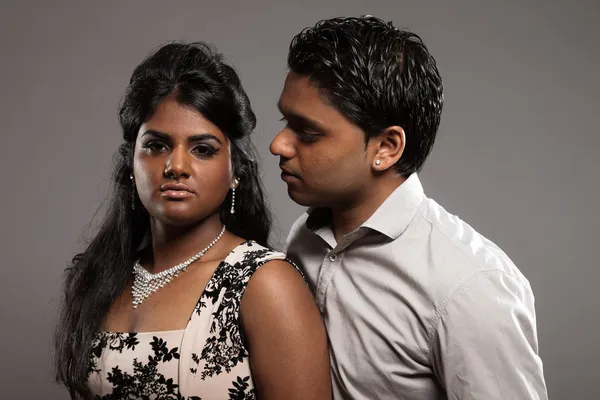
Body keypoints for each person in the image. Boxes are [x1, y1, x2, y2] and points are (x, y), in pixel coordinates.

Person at [270, 16, 548, 400]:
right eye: (285, 121)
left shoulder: (470, 287)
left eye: (306, 132)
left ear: (386, 148)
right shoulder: (306, 236)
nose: (278, 145)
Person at [54, 41, 331, 400]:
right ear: (130, 162)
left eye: (203, 149)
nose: (177, 167)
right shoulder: (103, 277)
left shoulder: (263, 283)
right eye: (156, 145)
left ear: (235, 170)